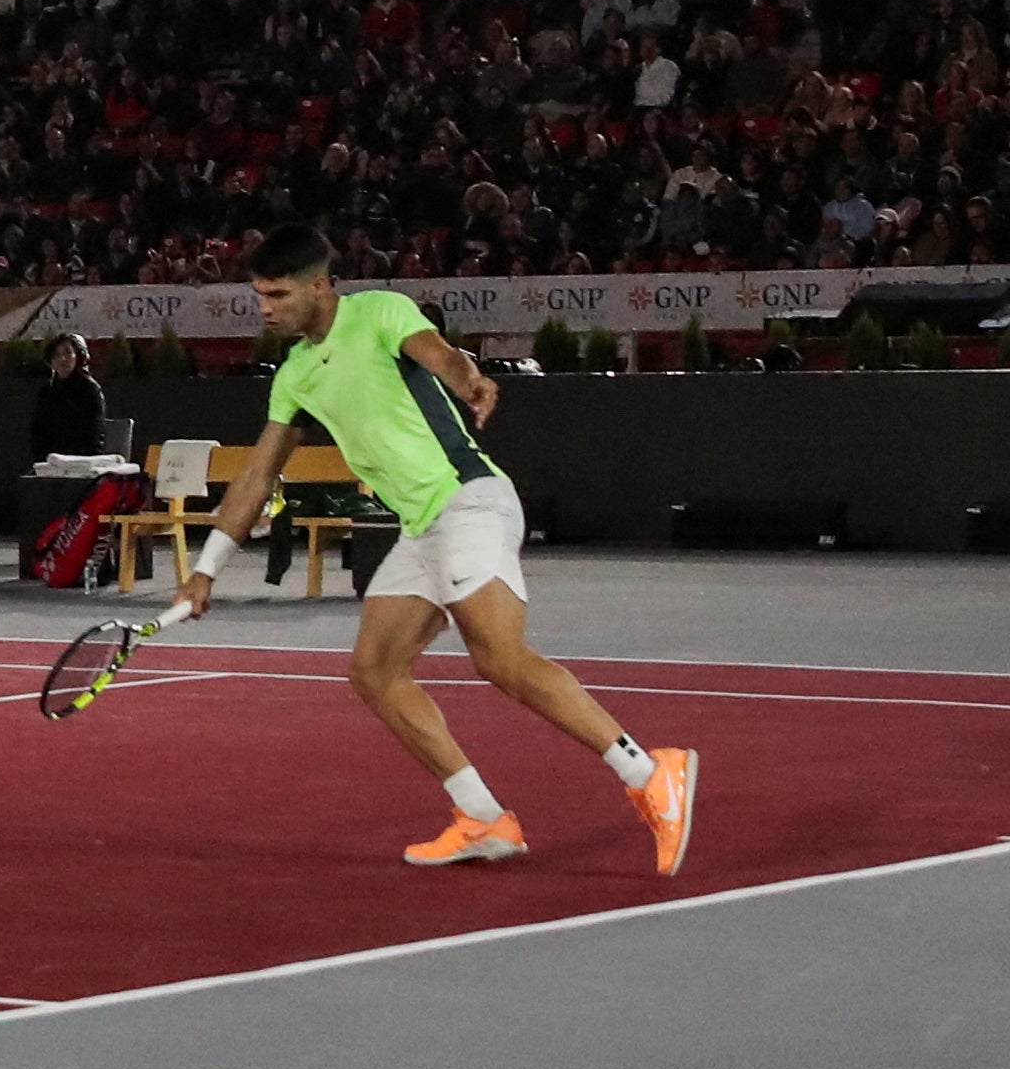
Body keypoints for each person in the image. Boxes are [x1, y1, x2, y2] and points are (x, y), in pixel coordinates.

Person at [177, 224, 698, 873]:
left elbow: (439, 353)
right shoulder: (295, 375)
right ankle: (482, 815)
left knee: (500, 657)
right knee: (375, 670)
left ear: (319, 285)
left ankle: (650, 773)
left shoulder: (377, 312)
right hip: (423, 526)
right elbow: (257, 476)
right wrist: (205, 569)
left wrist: (468, 376)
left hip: (469, 498)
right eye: (259, 295)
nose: (266, 307)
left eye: (278, 293)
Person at [27, 333, 109, 460]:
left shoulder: (90, 389)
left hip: (83, 461)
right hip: (52, 462)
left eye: (67, 353)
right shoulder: (47, 391)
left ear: (79, 356)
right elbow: (38, 432)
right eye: (57, 356)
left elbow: (93, 434)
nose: (62, 359)